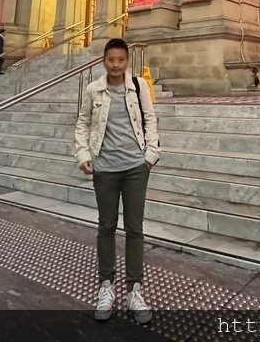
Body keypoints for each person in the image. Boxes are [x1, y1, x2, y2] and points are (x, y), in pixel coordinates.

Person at [74, 38, 159, 325]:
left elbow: (150, 119)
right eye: (111, 60)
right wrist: (84, 153)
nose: (115, 65)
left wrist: (150, 156)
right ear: (104, 60)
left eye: (120, 60)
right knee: (106, 225)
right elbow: (83, 123)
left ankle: (135, 289)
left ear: (127, 61)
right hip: (105, 169)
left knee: (135, 228)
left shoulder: (138, 86)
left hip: (136, 167)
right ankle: (106, 286)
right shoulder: (93, 89)